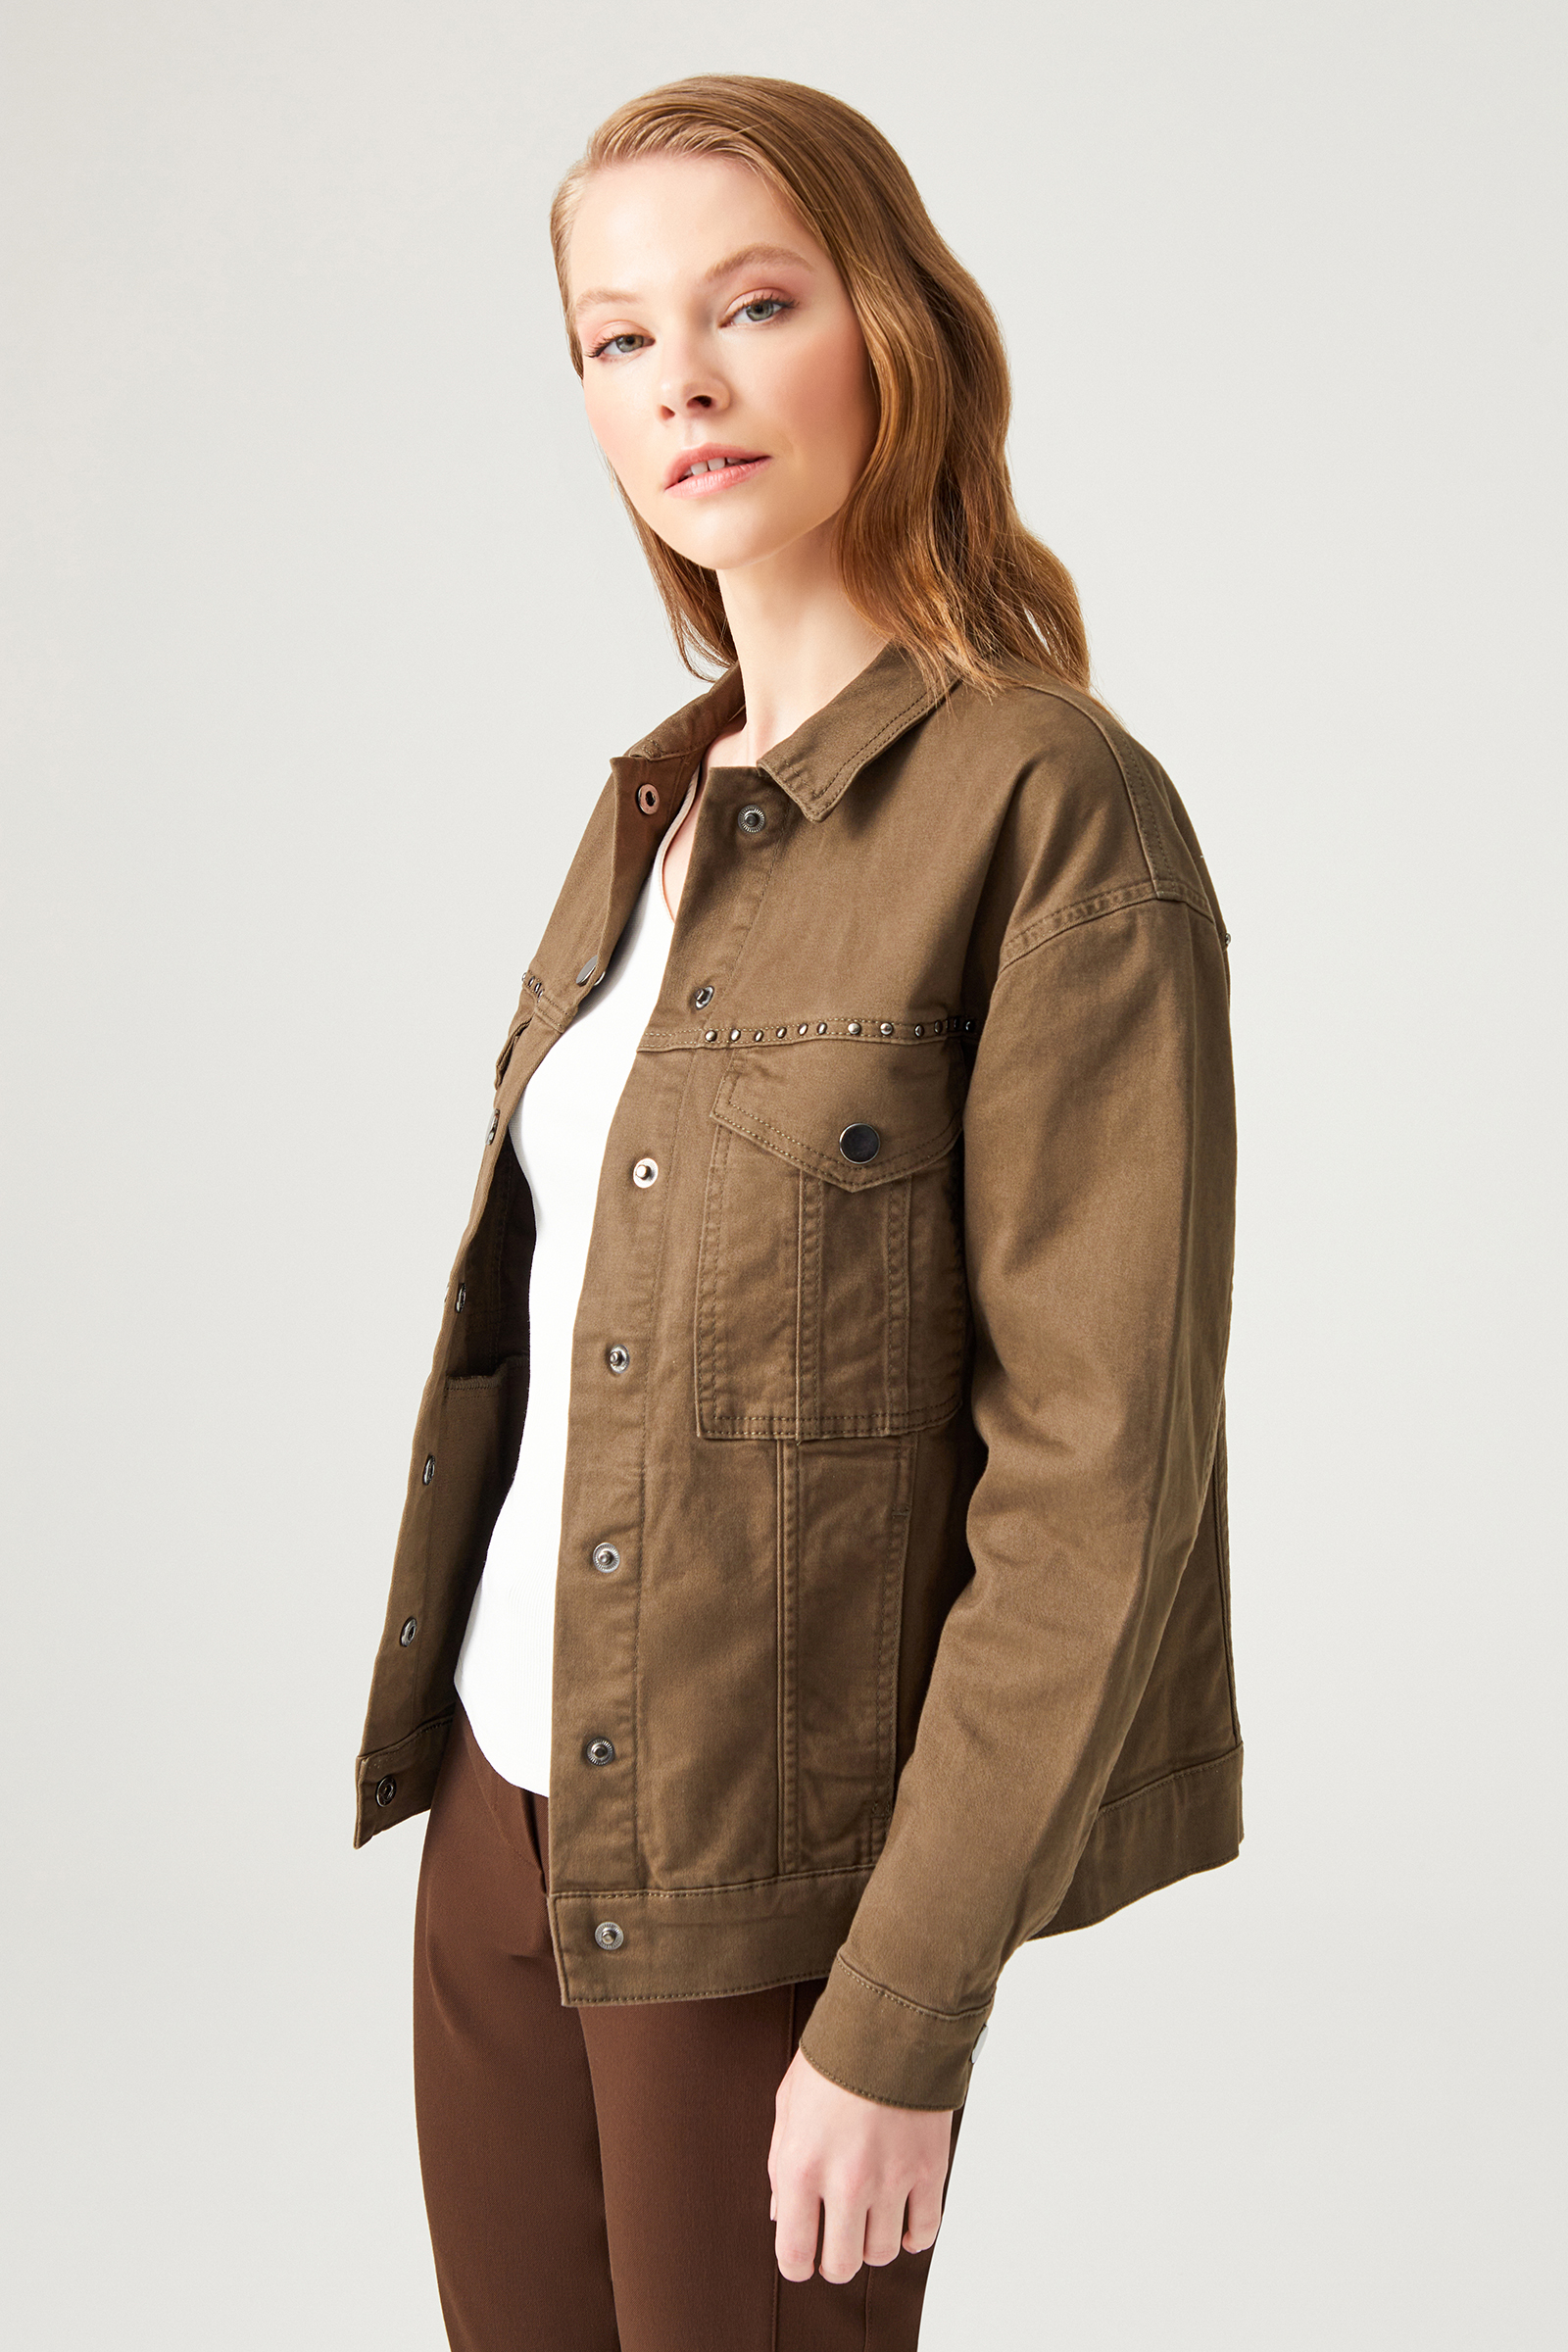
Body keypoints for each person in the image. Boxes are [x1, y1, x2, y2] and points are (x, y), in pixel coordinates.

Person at [355, 72, 1241, 2352]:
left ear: (890, 325)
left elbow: (1094, 1485)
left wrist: (901, 2012)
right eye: (615, 336)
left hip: (765, 1887)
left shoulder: (1048, 810)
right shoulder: (652, 811)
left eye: (750, 305)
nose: (682, 381)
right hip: (499, 1824)